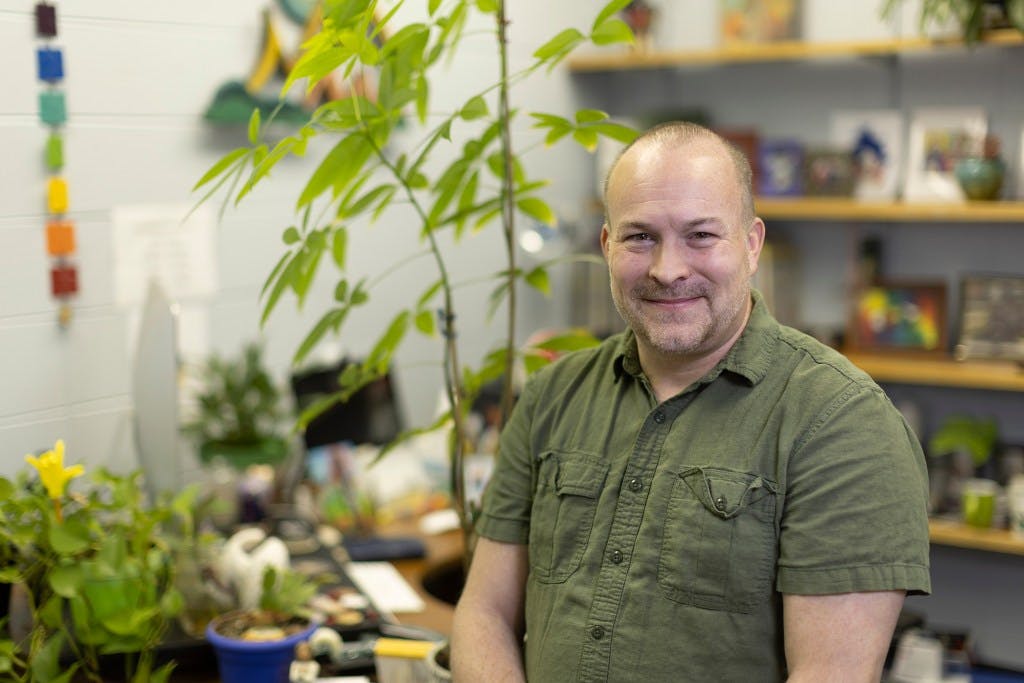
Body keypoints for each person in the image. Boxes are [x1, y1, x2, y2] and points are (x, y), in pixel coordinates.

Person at [450, 121, 931, 682]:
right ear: (607, 247)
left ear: (751, 246)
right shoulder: (552, 395)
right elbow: (483, 611)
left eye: (701, 236)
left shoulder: (844, 425)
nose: (668, 269)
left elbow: (831, 674)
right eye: (640, 237)